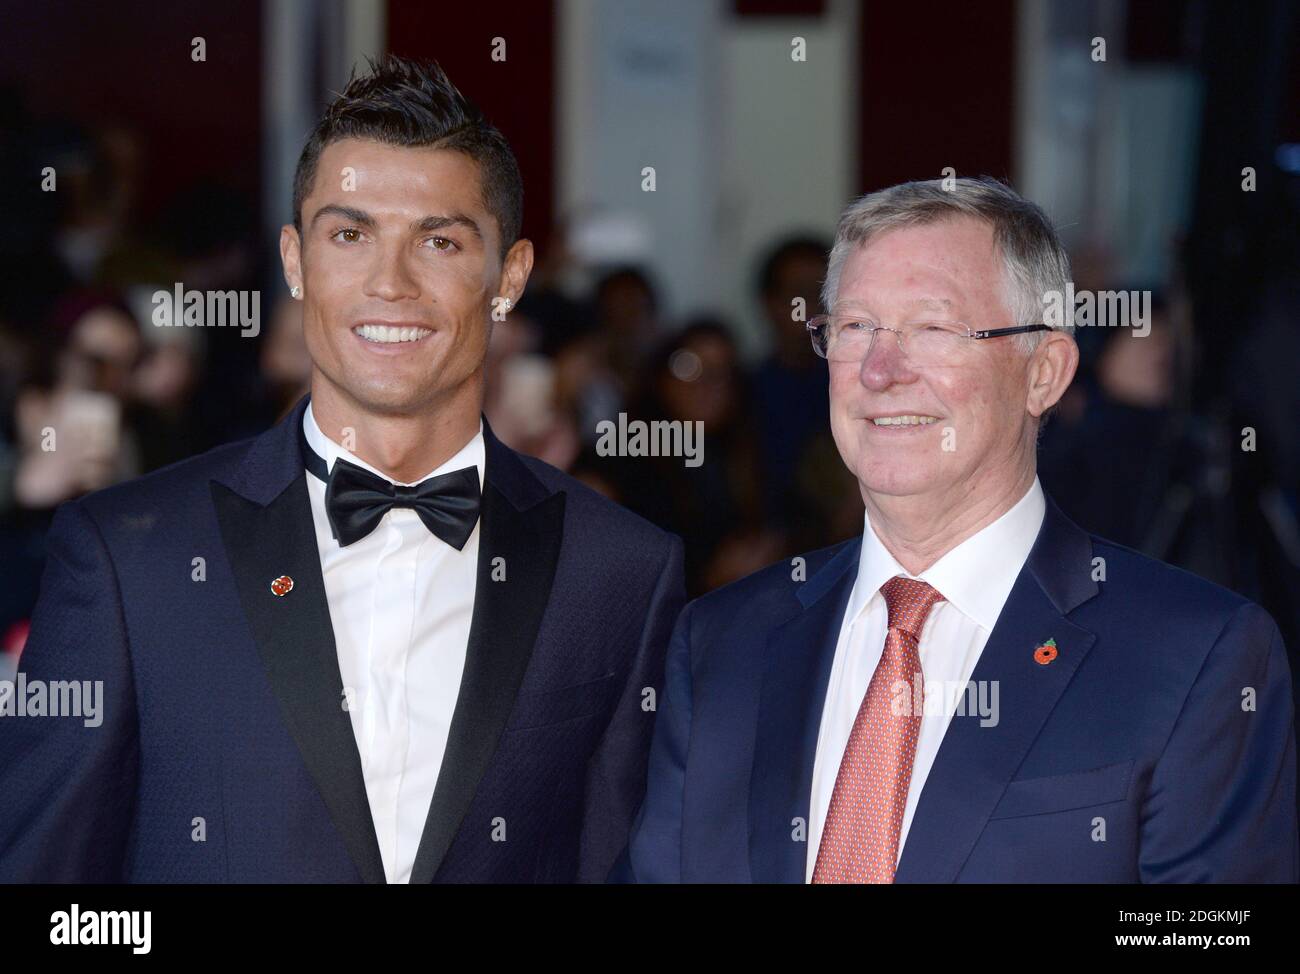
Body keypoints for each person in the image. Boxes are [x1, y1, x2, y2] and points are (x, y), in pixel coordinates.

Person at [0, 55, 684, 884]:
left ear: (509, 278)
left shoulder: (620, 571)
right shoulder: (126, 557)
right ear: (295, 261)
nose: (389, 283)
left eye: (438, 241)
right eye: (350, 235)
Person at [617, 177, 1297, 883]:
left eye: (934, 329)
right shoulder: (720, 643)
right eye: (854, 328)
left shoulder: (1199, 656)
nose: (880, 372)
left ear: (1045, 373)